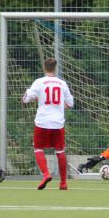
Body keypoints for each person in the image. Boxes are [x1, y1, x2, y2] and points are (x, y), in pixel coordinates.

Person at [22, 58, 74, 190]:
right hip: (57, 122)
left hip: (42, 122)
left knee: (38, 149)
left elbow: (26, 99)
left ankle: (46, 174)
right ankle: (63, 183)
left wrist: (33, 97)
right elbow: (70, 104)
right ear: (55, 68)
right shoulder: (62, 83)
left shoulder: (39, 82)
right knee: (60, 151)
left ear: (44, 68)